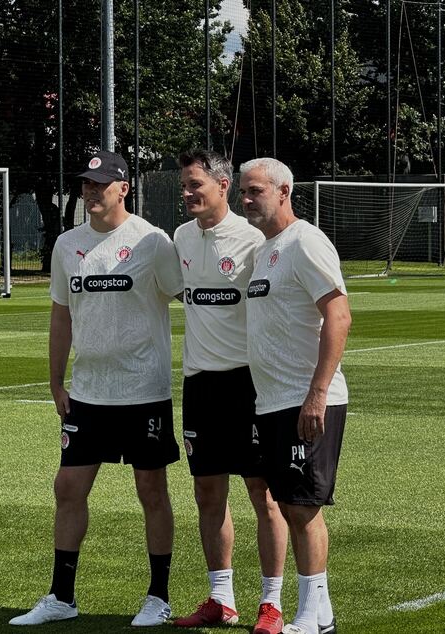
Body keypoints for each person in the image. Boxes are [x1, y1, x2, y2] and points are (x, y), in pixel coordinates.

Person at [9, 150, 185, 628]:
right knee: (67, 487)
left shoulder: (153, 240)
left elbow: (186, 297)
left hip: (143, 389)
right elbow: (61, 315)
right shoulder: (67, 244)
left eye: (100, 184)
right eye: (85, 184)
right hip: (88, 391)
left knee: (151, 489)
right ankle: (61, 596)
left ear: (123, 187)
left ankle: (158, 596)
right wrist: (54, 379)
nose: (90, 192)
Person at [170, 150, 289, 634]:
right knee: (206, 491)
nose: (186, 193)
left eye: (194, 184)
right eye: (183, 185)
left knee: (264, 495)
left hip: (249, 383)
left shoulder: (253, 241)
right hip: (200, 384)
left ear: (222, 186)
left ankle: (272, 602)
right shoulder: (180, 238)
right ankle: (222, 598)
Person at [239, 157, 352, 634]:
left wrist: (317, 394)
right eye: (242, 191)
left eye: (256, 191)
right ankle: (319, 612)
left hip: (306, 398)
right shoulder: (265, 251)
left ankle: (310, 616)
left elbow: (339, 316)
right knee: (289, 504)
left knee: (304, 508)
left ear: (284, 192)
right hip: (271, 401)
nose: (246, 200)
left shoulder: (305, 241)